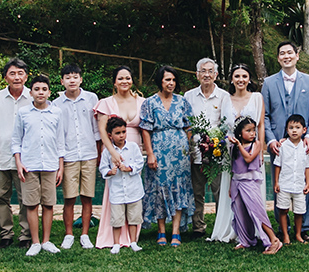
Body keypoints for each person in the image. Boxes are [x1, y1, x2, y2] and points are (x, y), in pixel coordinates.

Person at [262, 41, 309, 238]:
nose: (286, 56)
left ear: (297, 55)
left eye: (289, 52)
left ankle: (303, 228)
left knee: (304, 184)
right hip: (278, 144)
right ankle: (282, 227)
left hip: (303, 143)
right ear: (278, 58)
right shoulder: (268, 83)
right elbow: (265, 115)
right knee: (280, 184)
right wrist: (270, 140)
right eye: (282, 53)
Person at [140, 66, 194, 246]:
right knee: (159, 189)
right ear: (160, 81)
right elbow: (145, 130)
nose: (171, 83)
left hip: (180, 153)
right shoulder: (150, 102)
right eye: (167, 80)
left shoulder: (182, 101)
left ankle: (176, 231)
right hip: (158, 149)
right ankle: (161, 231)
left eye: (173, 80)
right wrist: (150, 154)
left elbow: (189, 127)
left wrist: (187, 147)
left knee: (179, 188)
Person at [13, 75, 66, 256]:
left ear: (49, 92)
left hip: (51, 164)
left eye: (44, 89)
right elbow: (16, 139)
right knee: (31, 204)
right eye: (37, 89)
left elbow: (60, 141)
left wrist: (61, 166)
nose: (40, 92)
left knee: (49, 203)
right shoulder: (23, 113)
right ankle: (35, 242)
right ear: (31, 92)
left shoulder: (57, 112)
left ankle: (46, 241)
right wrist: (18, 163)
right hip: (29, 164)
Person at [211, 63, 264, 242]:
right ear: (232, 79)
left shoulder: (256, 97)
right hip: (230, 152)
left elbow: (261, 125)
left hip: (251, 152)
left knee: (251, 191)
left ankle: (254, 229)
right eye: (237, 76)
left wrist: (261, 149)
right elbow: (221, 125)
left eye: (244, 76)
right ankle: (230, 228)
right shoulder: (225, 99)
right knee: (231, 191)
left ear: (249, 79)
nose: (240, 80)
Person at [95, 66, 145, 250]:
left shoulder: (142, 102)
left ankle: (132, 238)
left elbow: (146, 128)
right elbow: (102, 130)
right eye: (120, 78)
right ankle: (114, 238)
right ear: (114, 82)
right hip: (113, 149)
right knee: (115, 193)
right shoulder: (106, 103)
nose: (125, 81)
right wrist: (112, 152)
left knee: (133, 193)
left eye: (128, 78)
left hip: (134, 149)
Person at [0, 58, 33, 249]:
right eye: (12, 73)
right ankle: (6, 234)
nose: (16, 77)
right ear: (5, 77)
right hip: (2, 155)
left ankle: (25, 235)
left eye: (20, 73)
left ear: (26, 76)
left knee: (25, 198)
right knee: (1, 196)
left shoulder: (34, 96)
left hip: (26, 158)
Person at [52, 63, 100, 249]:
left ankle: (85, 234)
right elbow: (57, 134)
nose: (72, 80)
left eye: (75, 76)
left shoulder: (91, 98)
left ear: (81, 79)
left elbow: (96, 128)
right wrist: (60, 160)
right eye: (68, 77)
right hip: (69, 155)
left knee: (87, 196)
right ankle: (69, 234)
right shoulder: (56, 104)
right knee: (69, 198)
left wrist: (99, 152)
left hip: (89, 154)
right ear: (62, 81)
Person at [185, 57, 233, 239]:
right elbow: (187, 124)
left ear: (216, 75)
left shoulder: (224, 96)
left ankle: (222, 227)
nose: (206, 74)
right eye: (203, 71)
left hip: (216, 152)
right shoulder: (188, 96)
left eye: (210, 71)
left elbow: (227, 123)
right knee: (197, 192)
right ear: (197, 75)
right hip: (195, 152)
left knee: (219, 191)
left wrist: (217, 142)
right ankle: (198, 226)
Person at [230, 116, 283, 254]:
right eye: (249, 130)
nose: (253, 133)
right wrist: (231, 185)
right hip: (237, 182)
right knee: (240, 212)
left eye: (254, 130)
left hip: (249, 182)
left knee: (257, 212)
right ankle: (246, 239)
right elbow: (233, 167)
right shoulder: (234, 148)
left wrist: (239, 145)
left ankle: (273, 240)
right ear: (240, 133)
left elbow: (248, 158)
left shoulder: (256, 144)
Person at [99, 117, 145, 254]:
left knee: (133, 218)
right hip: (117, 191)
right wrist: (109, 171)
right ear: (110, 135)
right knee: (117, 219)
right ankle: (116, 243)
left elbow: (139, 162)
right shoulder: (107, 151)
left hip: (134, 190)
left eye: (123, 132)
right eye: (118, 133)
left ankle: (133, 242)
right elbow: (102, 168)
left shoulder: (133, 147)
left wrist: (129, 168)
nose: (121, 136)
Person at [273, 114, 309, 244]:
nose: (294, 130)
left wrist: (307, 183)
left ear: (304, 130)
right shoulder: (283, 146)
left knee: (299, 211)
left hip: (299, 185)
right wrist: (276, 182)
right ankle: (285, 235)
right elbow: (278, 164)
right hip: (285, 184)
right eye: (291, 128)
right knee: (283, 210)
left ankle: (298, 234)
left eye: (297, 127)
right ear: (286, 130)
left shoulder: (306, 147)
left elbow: (308, 166)